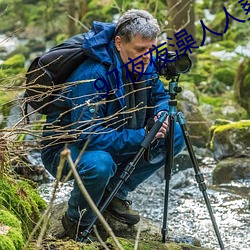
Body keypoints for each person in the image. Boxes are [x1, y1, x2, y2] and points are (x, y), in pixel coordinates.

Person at [41, 9, 185, 241]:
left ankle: (115, 193)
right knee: (100, 164)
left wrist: (161, 114)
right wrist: (142, 135)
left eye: (151, 49)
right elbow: (87, 135)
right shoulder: (92, 75)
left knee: (175, 132)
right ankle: (76, 221)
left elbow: (159, 96)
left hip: (116, 136)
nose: (148, 56)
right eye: (140, 49)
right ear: (119, 42)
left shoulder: (142, 62)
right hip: (67, 150)